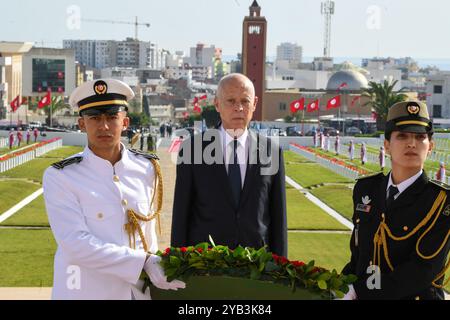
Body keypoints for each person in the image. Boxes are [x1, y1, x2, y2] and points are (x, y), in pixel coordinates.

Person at [43, 79, 185, 300]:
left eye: (111, 117)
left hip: (136, 293)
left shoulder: (147, 168)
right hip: (86, 293)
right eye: (95, 118)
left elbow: (148, 235)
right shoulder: (61, 176)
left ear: (125, 122)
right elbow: (75, 242)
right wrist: (143, 262)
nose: (104, 126)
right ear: (81, 124)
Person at [341, 100, 450, 300]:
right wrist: (339, 286)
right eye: (402, 136)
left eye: (420, 137)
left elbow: (422, 270)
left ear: (430, 146)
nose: (411, 143)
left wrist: (359, 291)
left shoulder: (441, 201)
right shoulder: (366, 189)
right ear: (387, 146)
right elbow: (358, 257)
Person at [171, 73, 287, 256]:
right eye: (231, 101)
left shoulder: (271, 152)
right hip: (205, 266)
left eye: (245, 101)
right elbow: (180, 216)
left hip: (256, 269)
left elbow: (278, 219)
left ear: (254, 103)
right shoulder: (192, 150)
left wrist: (281, 270)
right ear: (217, 104)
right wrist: (178, 266)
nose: (239, 108)